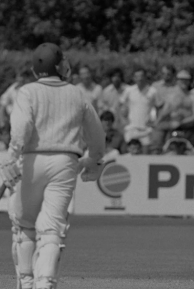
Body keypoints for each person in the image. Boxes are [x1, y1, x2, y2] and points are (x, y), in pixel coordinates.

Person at [6, 43, 105, 289]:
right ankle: (45, 283)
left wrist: (10, 158)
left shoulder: (27, 91)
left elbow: (21, 128)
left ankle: (26, 282)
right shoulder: (76, 93)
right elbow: (97, 134)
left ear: (34, 69)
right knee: (52, 227)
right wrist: (94, 160)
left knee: (25, 224)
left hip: (32, 159)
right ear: (60, 66)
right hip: (65, 162)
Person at [120, 68, 160, 154]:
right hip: (131, 128)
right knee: (128, 154)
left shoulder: (153, 91)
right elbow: (121, 106)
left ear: (145, 77)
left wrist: (156, 122)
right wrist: (123, 120)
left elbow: (159, 107)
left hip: (145, 129)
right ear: (134, 78)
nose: (139, 79)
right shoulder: (129, 90)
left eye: (141, 76)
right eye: (137, 77)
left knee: (144, 156)